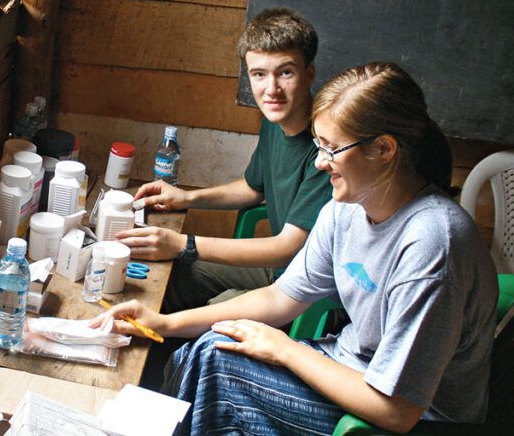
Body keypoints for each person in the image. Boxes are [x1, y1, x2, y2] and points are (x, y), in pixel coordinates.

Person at [95, 62, 497, 434]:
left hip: (416, 416)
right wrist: (166, 323)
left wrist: (286, 351)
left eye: (331, 148)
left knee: (219, 370)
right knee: (206, 348)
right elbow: (281, 296)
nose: (321, 162)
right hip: (351, 368)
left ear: (384, 149)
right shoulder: (348, 208)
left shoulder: (432, 243)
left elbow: (399, 409)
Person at [116, 8, 332, 313]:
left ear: (308, 73)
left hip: (308, 290)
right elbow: (252, 187)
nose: (271, 90)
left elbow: (288, 247)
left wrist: (184, 244)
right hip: (278, 270)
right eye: (259, 74)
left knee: (206, 322)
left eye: (285, 72)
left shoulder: (327, 147)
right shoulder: (275, 118)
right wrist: (187, 197)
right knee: (165, 280)